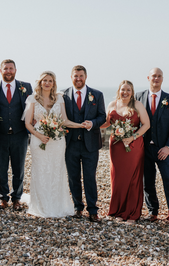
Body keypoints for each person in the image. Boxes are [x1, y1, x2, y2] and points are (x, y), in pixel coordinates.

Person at [23, 71, 84, 218]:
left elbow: (64, 121)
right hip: (39, 140)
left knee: (57, 170)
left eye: (50, 80)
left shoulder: (59, 98)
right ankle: (41, 205)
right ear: (40, 82)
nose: (47, 83)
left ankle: (57, 206)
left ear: (54, 83)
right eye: (45, 80)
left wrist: (81, 125)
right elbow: (27, 123)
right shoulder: (32, 99)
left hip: (57, 141)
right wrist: (39, 136)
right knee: (41, 170)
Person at [134, 67, 169, 233]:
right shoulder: (138, 97)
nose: (156, 78)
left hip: (164, 149)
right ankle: (153, 211)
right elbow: (133, 120)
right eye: (153, 76)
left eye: (159, 76)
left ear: (162, 79)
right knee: (147, 182)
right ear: (148, 77)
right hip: (144, 148)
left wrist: (168, 147)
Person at [63, 65, 106, 223]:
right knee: (73, 177)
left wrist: (93, 123)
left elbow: (103, 117)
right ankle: (77, 208)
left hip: (90, 144)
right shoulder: (63, 95)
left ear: (85, 77)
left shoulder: (97, 95)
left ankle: (93, 210)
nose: (78, 79)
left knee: (89, 177)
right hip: (70, 144)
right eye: (75, 76)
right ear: (71, 77)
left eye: (81, 76)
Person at [0, 60, 33, 210]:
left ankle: (16, 198)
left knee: (18, 168)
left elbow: (32, 107)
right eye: (5, 68)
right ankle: (3, 197)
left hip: (19, 134)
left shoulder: (25, 87)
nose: (8, 71)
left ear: (15, 70)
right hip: (0, 134)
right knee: (0, 169)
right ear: (0, 71)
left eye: (11, 68)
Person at [106, 80, 150, 223]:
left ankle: (132, 213)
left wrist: (133, 137)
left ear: (132, 92)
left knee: (132, 178)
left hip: (134, 146)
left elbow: (146, 124)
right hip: (116, 146)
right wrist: (88, 124)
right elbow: (106, 123)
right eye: (123, 89)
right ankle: (118, 211)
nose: (125, 92)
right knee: (118, 178)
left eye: (128, 90)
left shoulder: (137, 105)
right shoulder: (112, 105)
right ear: (119, 90)